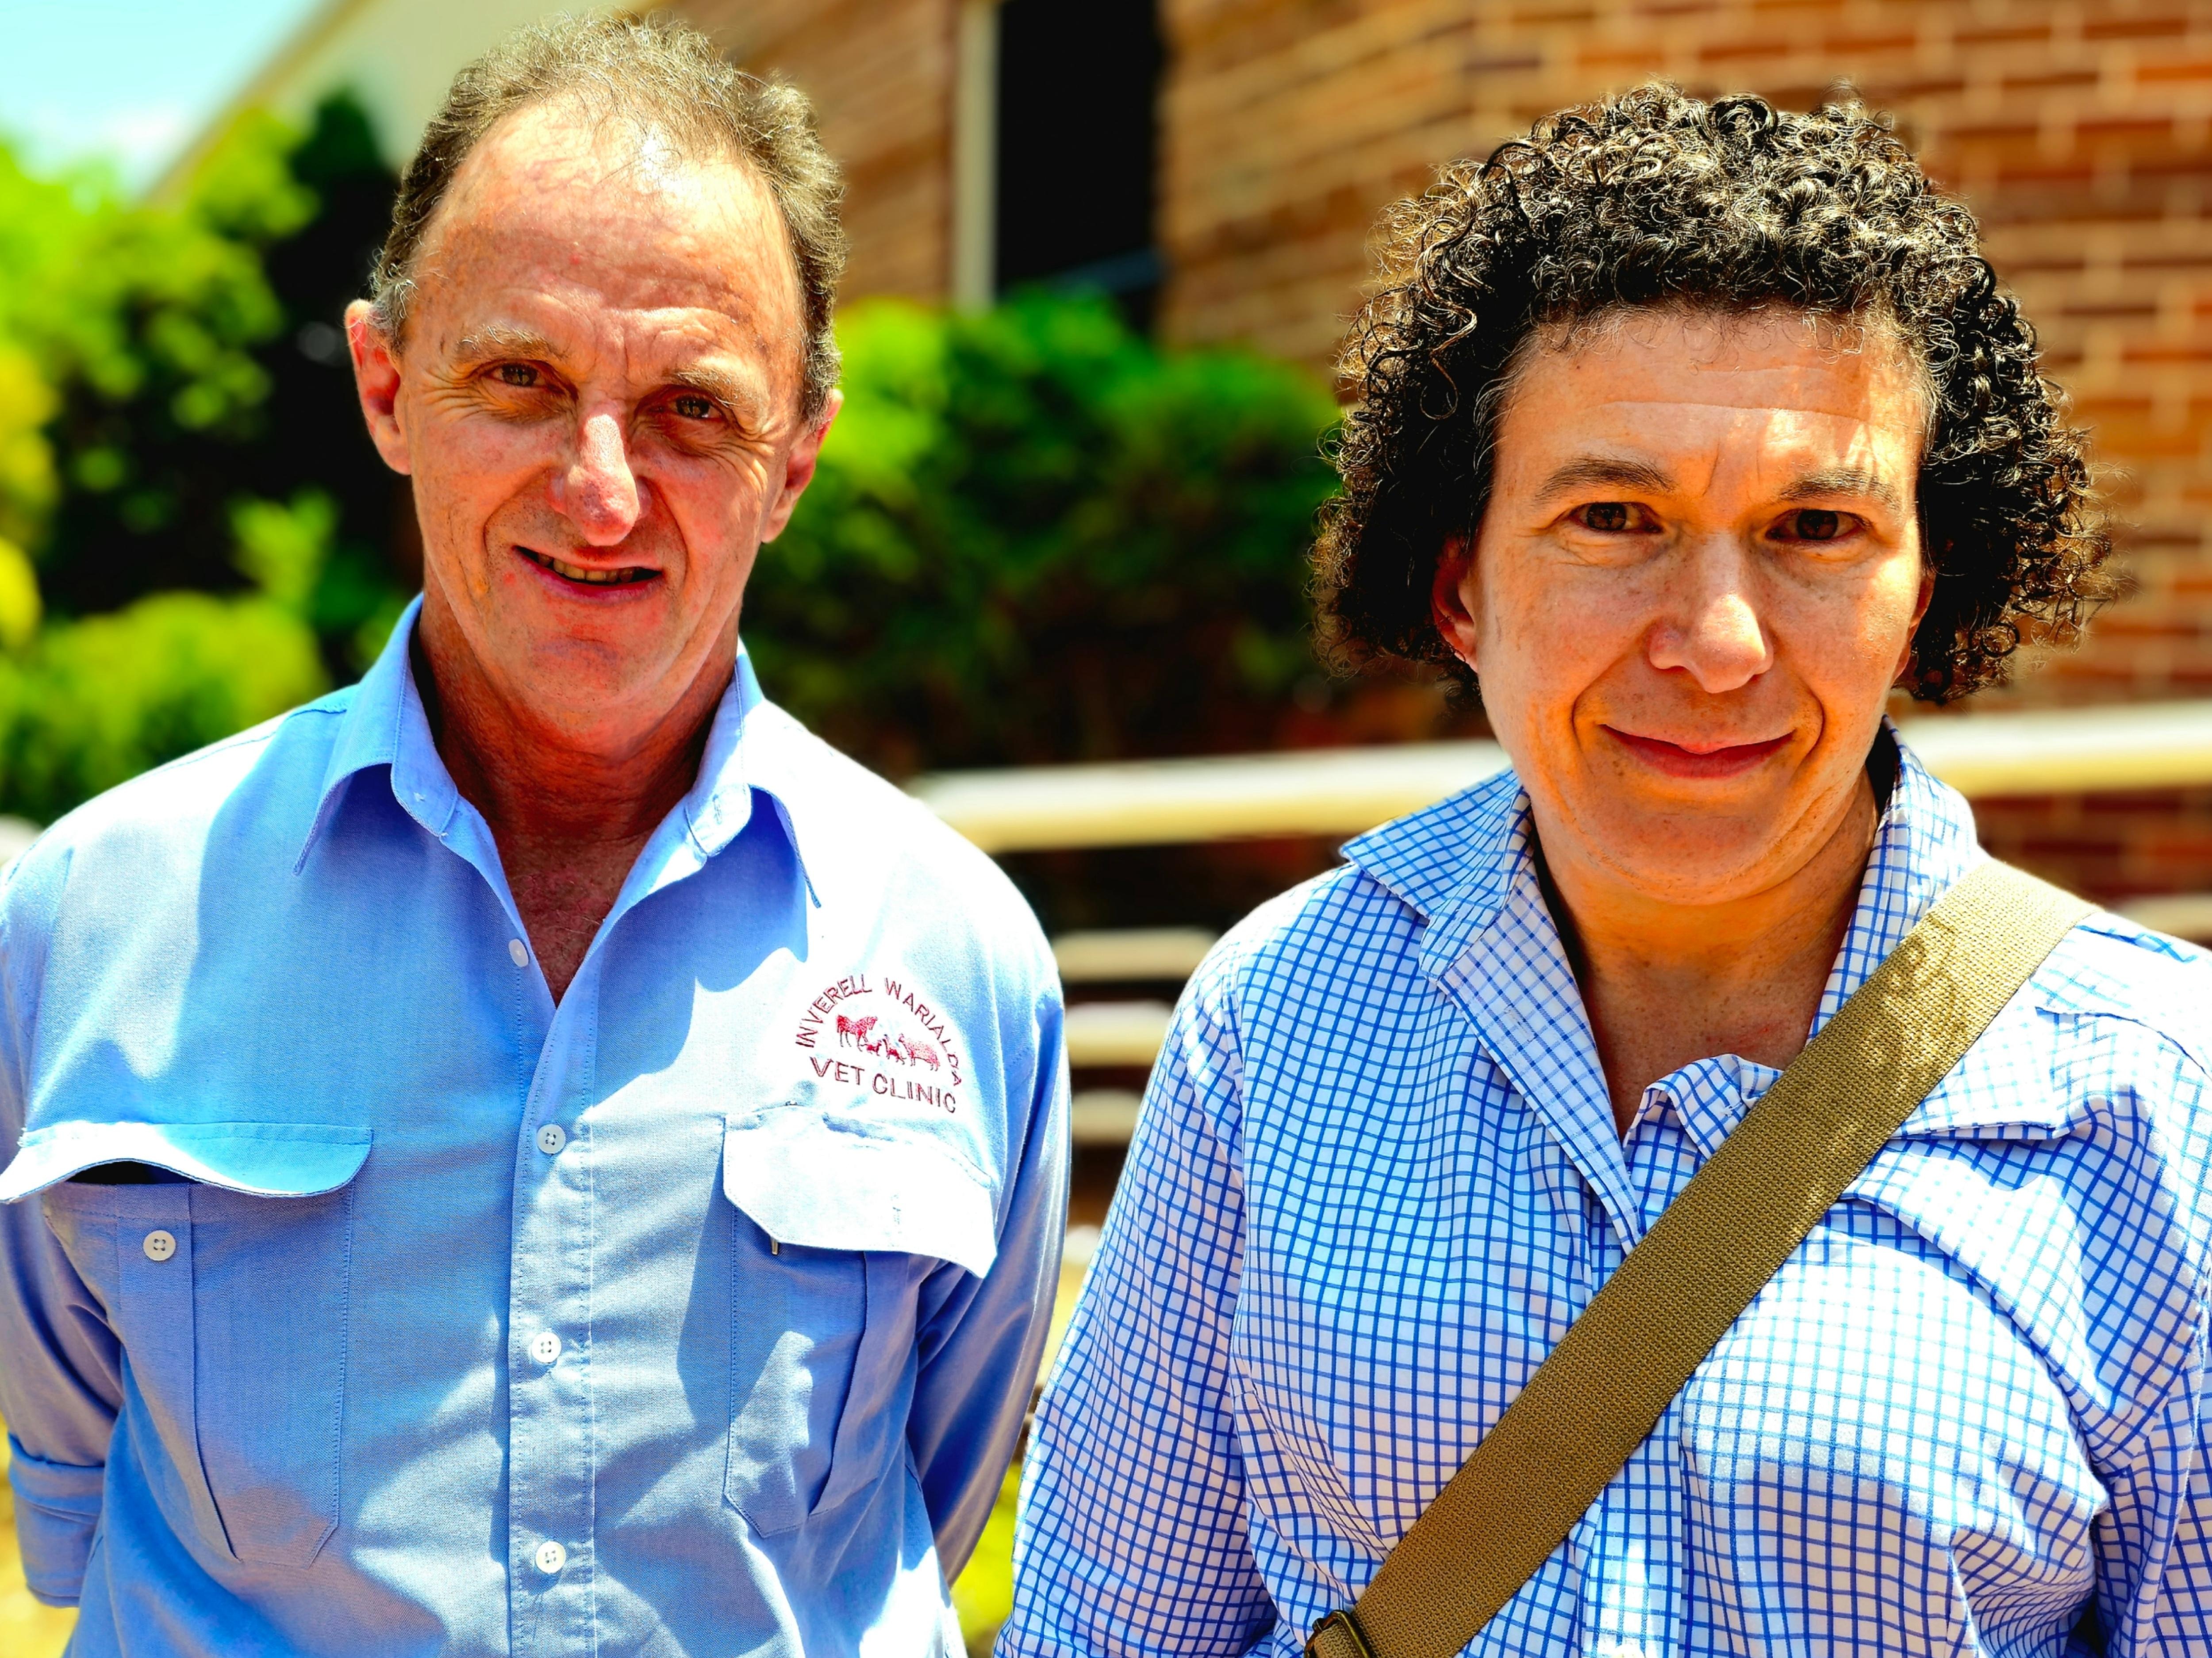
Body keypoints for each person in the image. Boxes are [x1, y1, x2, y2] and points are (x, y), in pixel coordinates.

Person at [1006, 88, 2212, 1656]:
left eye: (1817, 526)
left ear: (1923, 594)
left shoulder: (2160, 1101)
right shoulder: (1278, 1016)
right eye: (1615, 516)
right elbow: (1108, 1629)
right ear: (1458, 587)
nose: (1715, 642)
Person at [0, 17, 1067, 1655]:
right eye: (522, 379)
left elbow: (936, 1481)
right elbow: (65, 1463)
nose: (602, 489)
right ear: (386, 389)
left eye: (694, 411)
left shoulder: (958, 953)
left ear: (795, 459)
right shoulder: (90, 917)